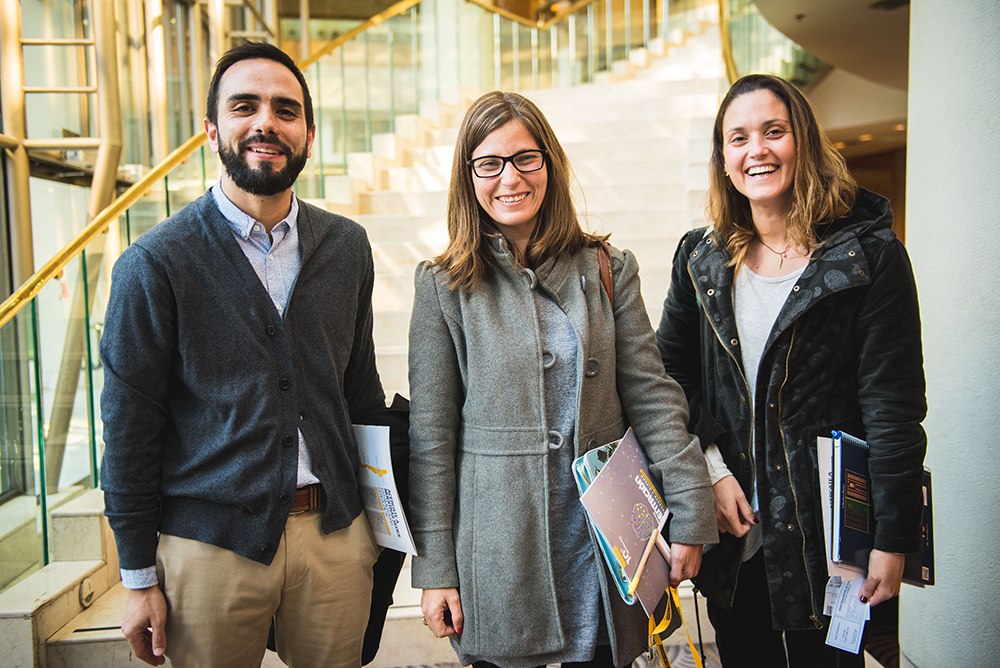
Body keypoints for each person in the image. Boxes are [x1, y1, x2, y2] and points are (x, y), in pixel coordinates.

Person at [407, 91, 718, 668]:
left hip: (602, 541)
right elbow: (431, 441)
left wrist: (690, 505)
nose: (510, 178)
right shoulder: (443, 286)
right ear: (467, 177)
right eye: (489, 163)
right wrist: (434, 570)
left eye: (526, 158)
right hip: (499, 549)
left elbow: (652, 395)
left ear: (549, 163)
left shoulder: (607, 267)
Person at [100, 42, 384, 668]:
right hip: (208, 549)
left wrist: (382, 529)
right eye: (244, 106)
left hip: (334, 539)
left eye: (286, 110)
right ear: (211, 130)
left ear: (309, 135)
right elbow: (129, 429)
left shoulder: (347, 246)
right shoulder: (155, 263)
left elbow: (360, 395)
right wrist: (138, 578)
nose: (266, 123)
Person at [655, 74, 926, 667]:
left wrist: (893, 539)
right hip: (735, 539)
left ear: (802, 139)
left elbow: (893, 410)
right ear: (723, 159)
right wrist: (710, 470)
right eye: (738, 138)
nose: (757, 150)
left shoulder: (869, 256)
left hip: (830, 544)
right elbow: (669, 378)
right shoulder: (700, 259)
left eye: (773, 131)